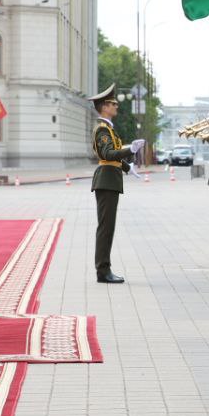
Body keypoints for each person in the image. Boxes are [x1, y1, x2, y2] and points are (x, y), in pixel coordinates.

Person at [89, 83, 135, 284]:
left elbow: (112, 157)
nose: (117, 106)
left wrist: (126, 166)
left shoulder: (107, 128)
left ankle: (104, 268)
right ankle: (103, 270)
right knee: (106, 228)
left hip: (110, 179)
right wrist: (129, 149)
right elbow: (107, 154)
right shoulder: (102, 129)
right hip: (106, 180)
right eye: (113, 103)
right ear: (105, 107)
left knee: (108, 227)